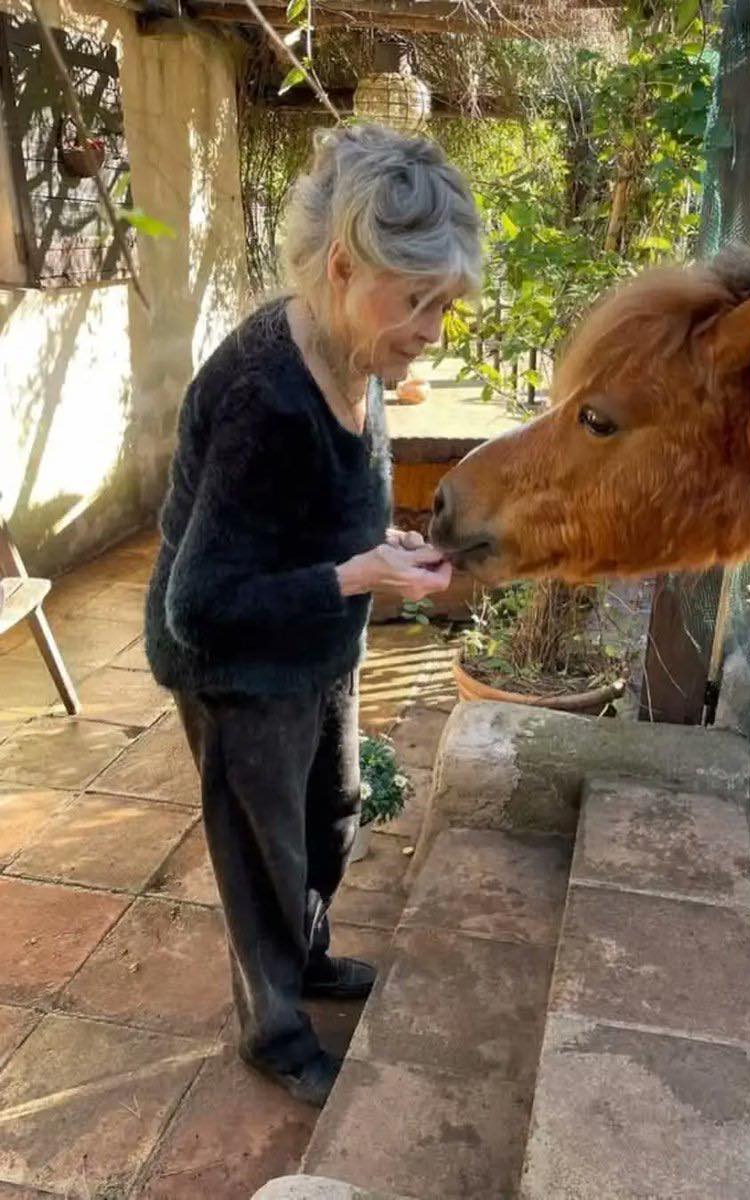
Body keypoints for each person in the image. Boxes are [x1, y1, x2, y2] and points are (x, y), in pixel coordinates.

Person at [144, 124, 481, 1105]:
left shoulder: (356, 354)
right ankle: (274, 1026)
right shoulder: (263, 398)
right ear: (342, 268)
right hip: (236, 664)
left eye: (443, 305)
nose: (432, 330)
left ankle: (316, 955)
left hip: (317, 644)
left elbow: (341, 506)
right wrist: (350, 578)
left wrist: (388, 556)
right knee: (263, 851)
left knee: (329, 813)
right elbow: (200, 606)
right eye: (417, 302)